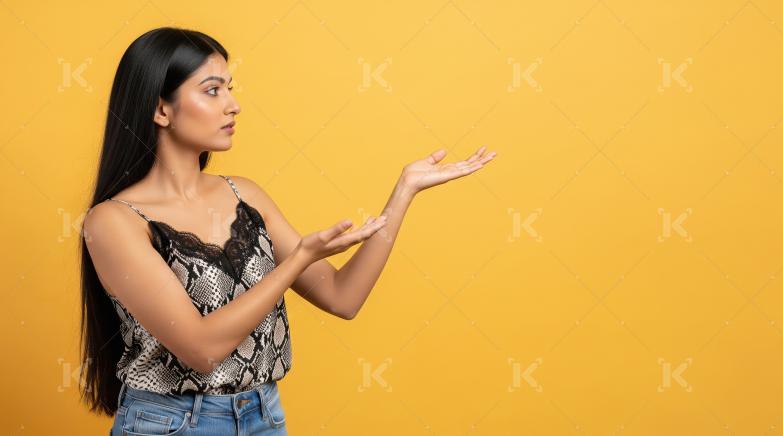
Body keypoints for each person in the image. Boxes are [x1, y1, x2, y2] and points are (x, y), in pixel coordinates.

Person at [78, 26, 496, 435]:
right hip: (171, 424)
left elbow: (342, 297)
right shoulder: (114, 221)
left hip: (263, 415)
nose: (233, 104)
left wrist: (404, 192)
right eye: (212, 90)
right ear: (161, 109)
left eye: (230, 87)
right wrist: (297, 261)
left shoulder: (246, 195)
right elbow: (202, 349)